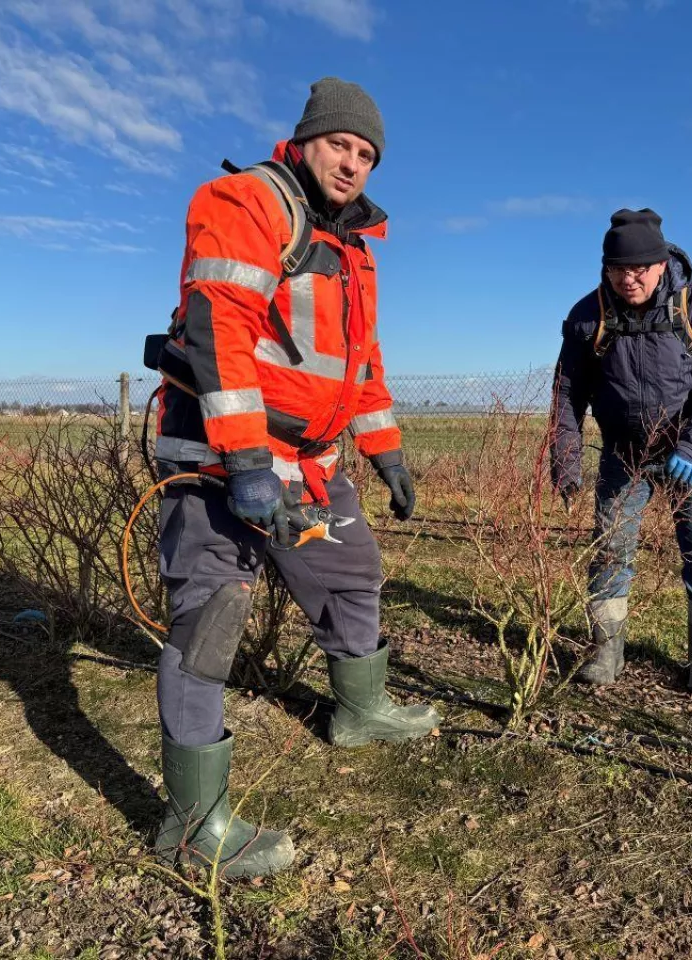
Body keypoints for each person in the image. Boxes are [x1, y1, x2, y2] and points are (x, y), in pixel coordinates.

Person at [146, 77, 439, 877]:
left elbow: (360, 368)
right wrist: (244, 459)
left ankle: (360, 710)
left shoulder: (352, 249)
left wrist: (388, 454)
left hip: (311, 463)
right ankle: (190, 827)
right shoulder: (246, 200)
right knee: (210, 622)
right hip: (218, 456)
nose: (353, 163)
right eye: (342, 144)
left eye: (367, 154)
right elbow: (219, 328)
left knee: (353, 572)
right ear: (307, 139)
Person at [551, 208, 692, 694]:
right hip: (623, 456)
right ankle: (606, 656)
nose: (628, 279)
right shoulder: (587, 315)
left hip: (690, 456)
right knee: (611, 551)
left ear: (662, 264)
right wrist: (566, 460)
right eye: (618, 269)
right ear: (605, 267)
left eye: (639, 269)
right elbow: (567, 394)